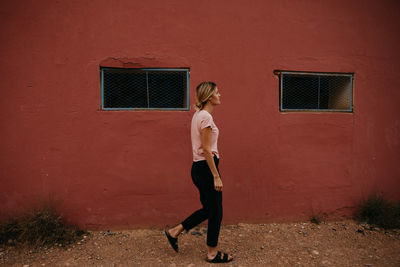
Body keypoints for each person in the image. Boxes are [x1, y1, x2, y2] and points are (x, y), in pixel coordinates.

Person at [165, 81, 233, 263]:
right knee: (216, 212)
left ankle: (174, 231)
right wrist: (216, 176)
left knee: (210, 210)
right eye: (217, 92)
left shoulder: (198, 115)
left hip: (200, 168)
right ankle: (212, 253)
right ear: (209, 96)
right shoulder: (206, 118)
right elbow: (206, 149)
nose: (220, 95)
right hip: (206, 168)